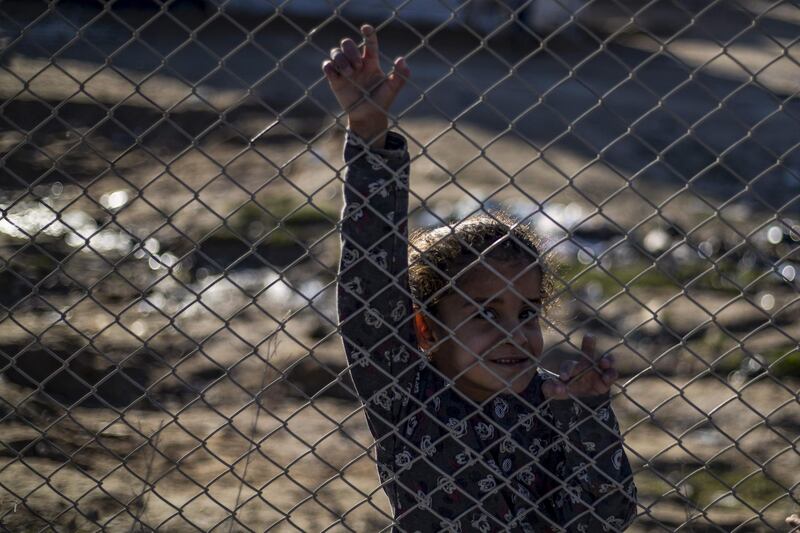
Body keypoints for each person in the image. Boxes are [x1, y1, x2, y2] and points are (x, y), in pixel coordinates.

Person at [325, 24, 637, 532]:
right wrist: (368, 133)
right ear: (426, 329)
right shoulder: (405, 396)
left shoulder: (553, 405)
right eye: (485, 312)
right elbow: (370, 279)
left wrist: (589, 416)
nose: (515, 331)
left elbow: (608, 519)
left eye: (528, 311)